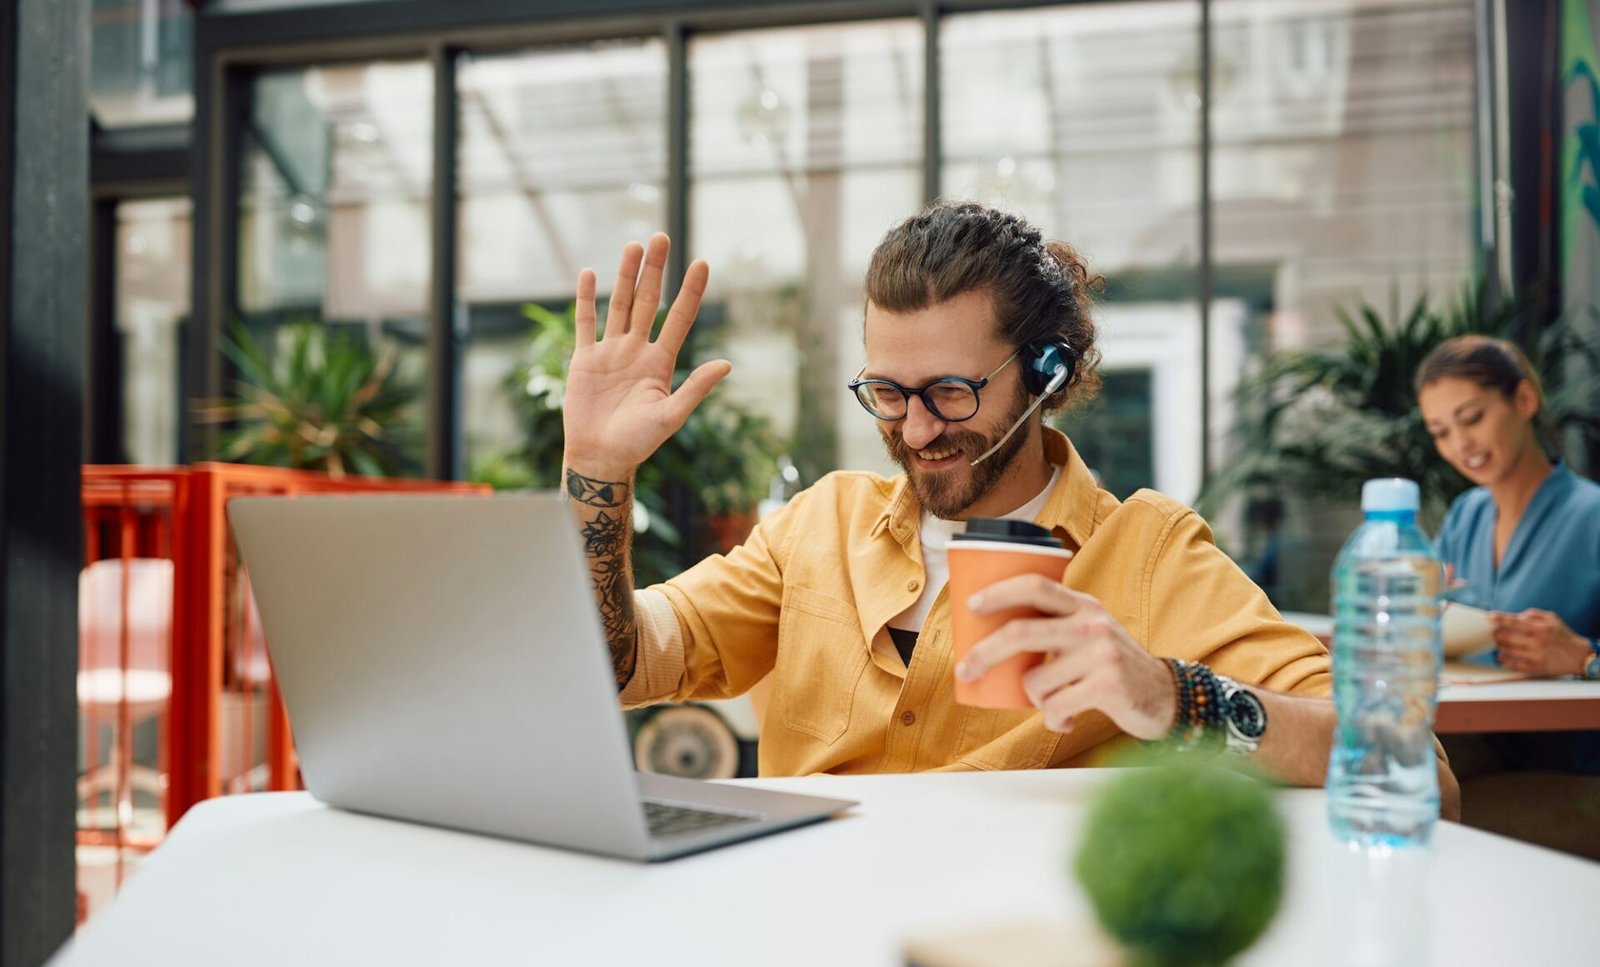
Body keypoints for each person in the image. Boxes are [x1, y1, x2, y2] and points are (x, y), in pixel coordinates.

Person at [560, 201, 1458, 812]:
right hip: (804, 928)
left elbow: (1412, 768)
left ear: (1049, 373)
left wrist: (1168, 694)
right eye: (886, 390)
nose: (914, 431)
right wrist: (598, 472)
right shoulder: (818, 527)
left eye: (950, 391)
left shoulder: (1145, 554)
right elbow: (610, 665)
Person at [1417, 335, 1600, 789]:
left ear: (1524, 399)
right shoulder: (1466, 517)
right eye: (1441, 432)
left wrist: (1585, 657)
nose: (1460, 444)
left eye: (1472, 418)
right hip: (1486, 747)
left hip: (1575, 775)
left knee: (1431, 806)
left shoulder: (1592, 517)